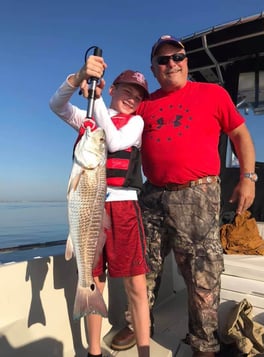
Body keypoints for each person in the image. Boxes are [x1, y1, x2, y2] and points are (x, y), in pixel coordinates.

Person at [111, 35, 256, 357]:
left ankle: (204, 341)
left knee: (202, 272)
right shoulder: (145, 105)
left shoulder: (213, 94)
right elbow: (112, 124)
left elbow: (240, 134)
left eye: (177, 57)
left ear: (186, 61)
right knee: (142, 266)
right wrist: (87, 90)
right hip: (151, 195)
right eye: (163, 60)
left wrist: (247, 177)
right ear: (154, 68)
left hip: (198, 194)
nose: (171, 63)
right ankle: (137, 323)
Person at [49, 64, 151, 357]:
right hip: (90, 207)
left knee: (136, 284)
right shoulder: (88, 119)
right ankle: (94, 351)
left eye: (138, 96)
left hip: (124, 209)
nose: (132, 98)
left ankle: (144, 353)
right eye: (126, 91)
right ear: (113, 89)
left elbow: (115, 140)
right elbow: (57, 105)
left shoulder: (136, 124)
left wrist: (96, 100)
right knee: (94, 281)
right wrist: (80, 79)